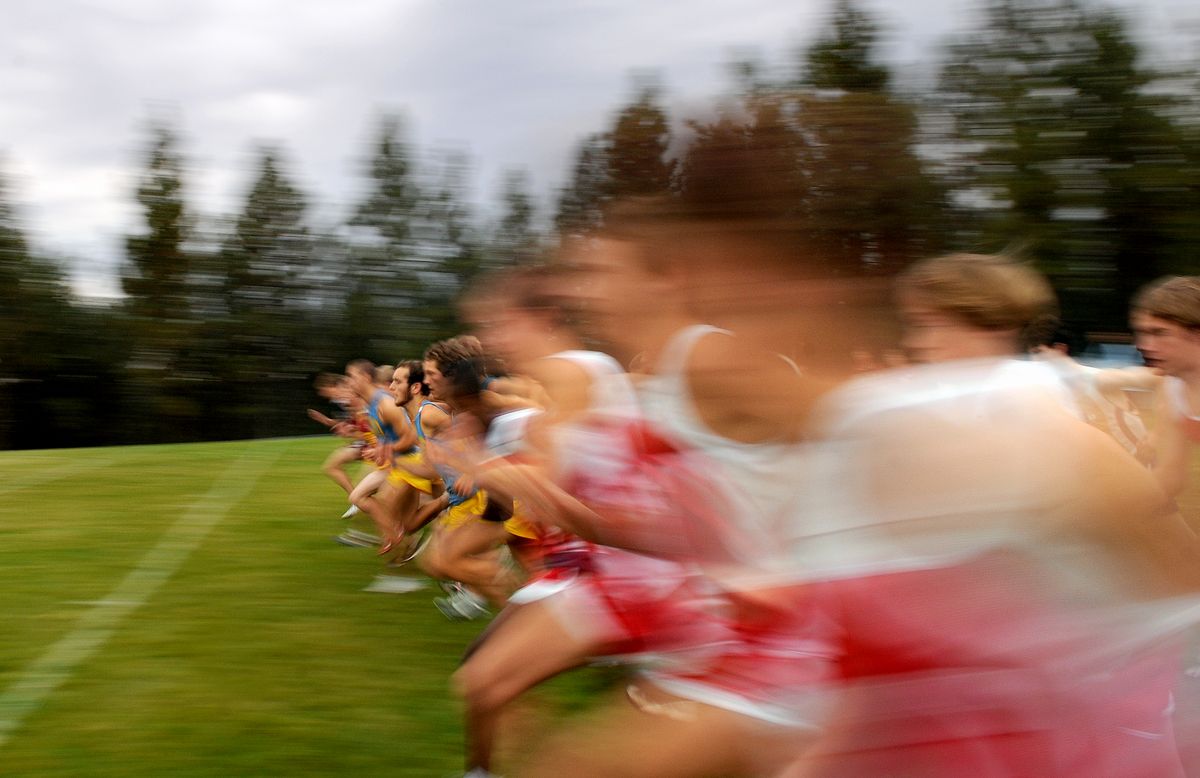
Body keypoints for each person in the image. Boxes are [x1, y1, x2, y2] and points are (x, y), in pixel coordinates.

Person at [1132, 276, 1200, 505]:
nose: (1144, 345)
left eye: (1160, 333)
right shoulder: (1172, 384)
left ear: (1196, 334)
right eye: (1143, 333)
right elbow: (1171, 477)